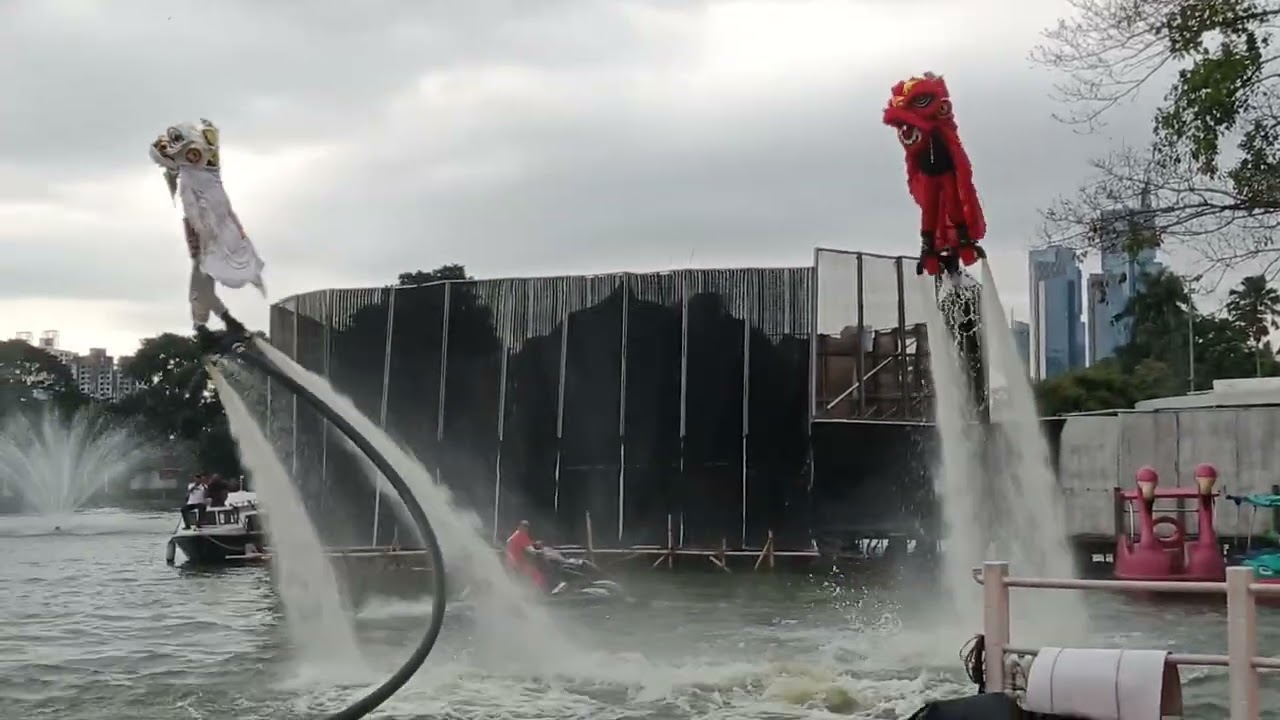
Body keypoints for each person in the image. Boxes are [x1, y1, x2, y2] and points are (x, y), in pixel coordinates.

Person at [148, 119, 265, 350]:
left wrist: (236, 224)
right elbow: (191, 208)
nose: (192, 158)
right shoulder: (188, 179)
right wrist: (201, 231)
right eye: (188, 155)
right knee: (202, 277)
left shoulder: (210, 172)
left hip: (219, 227)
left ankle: (215, 324)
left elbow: (224, 201)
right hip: (202, 230)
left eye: (194, 153)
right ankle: (216, 324)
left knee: (204, 279)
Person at [504, 520, 547, 592]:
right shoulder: (521, 535)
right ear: (520, 526)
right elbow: (530, 550)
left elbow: (525, 543)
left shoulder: (515, 534)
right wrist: (541, 551)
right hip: (518, 562)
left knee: (517, 578)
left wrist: (535, 544)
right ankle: (535, 593)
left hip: (510, 562)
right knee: (538, 575)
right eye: (525, 527)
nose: (526, 529)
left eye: (527, 527)